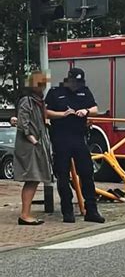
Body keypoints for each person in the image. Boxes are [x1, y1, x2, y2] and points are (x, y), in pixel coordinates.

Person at [45, 68, 105, 223]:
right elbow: (45, 112)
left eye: (79, 82)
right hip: (61, 138)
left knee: (87, 174)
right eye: (74, 81)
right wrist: (63, 115)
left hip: (79, 138)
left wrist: (85, 111)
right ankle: (67, 212)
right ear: (68, 79)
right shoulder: (55, 92)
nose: (76, 84)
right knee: (63, 176)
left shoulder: (84, 91)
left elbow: (95, 109)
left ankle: (91, 211)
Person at [14, 72, 52, 225]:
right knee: (32, 178)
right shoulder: (27, 101)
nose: (42, 87)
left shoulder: (38, 101)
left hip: (36, 144)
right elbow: (23, 122)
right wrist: (33, 140)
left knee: (34, 179)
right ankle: (25, 214)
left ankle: (26, 213)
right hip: (30, 146)